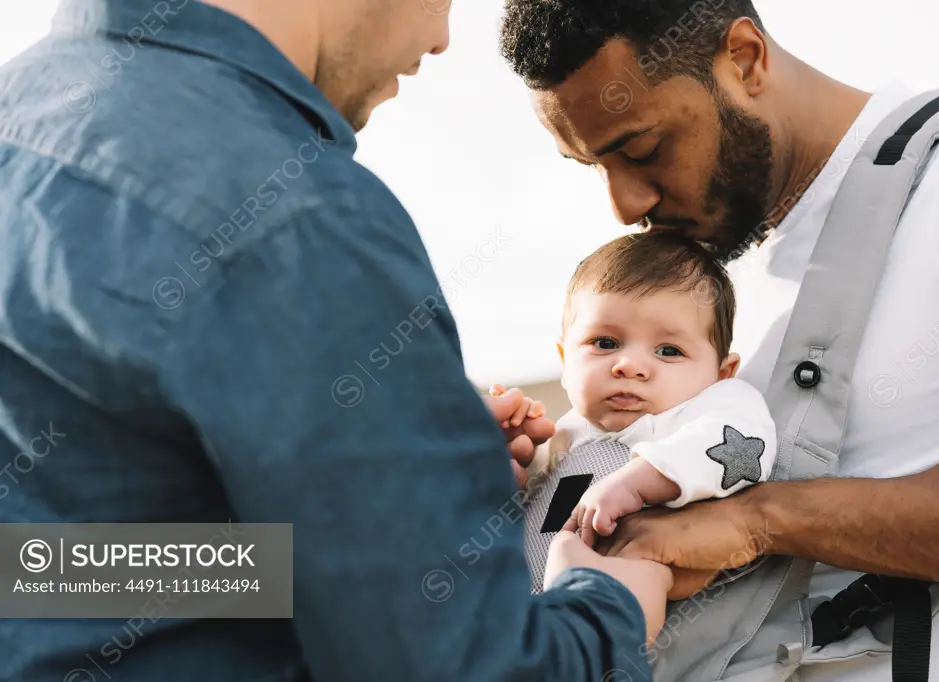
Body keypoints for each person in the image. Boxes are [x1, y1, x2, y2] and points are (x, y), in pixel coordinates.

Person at [0, 1, 672, 681]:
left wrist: (375, 495)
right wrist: (611, 606)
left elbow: (50, 570)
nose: (442, 40)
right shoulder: (300, 222)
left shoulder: (20, 108)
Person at [499, 0, 939, 680]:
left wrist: (761, 519)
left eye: (642, 149)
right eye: (590, 166)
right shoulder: (703, 260)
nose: (624, 206)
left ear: (744, 58)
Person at [525, 231, 776, 548]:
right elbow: (525, 492)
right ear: (565, 360)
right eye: (605, 343)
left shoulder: (711, 410)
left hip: (612, 587)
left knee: (647, 569)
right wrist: (516, 447)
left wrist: (638, 483)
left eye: (669, 351)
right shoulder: (566, 431)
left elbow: (744, 448)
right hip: (523, 590)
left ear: (721, 373)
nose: (629, 365)